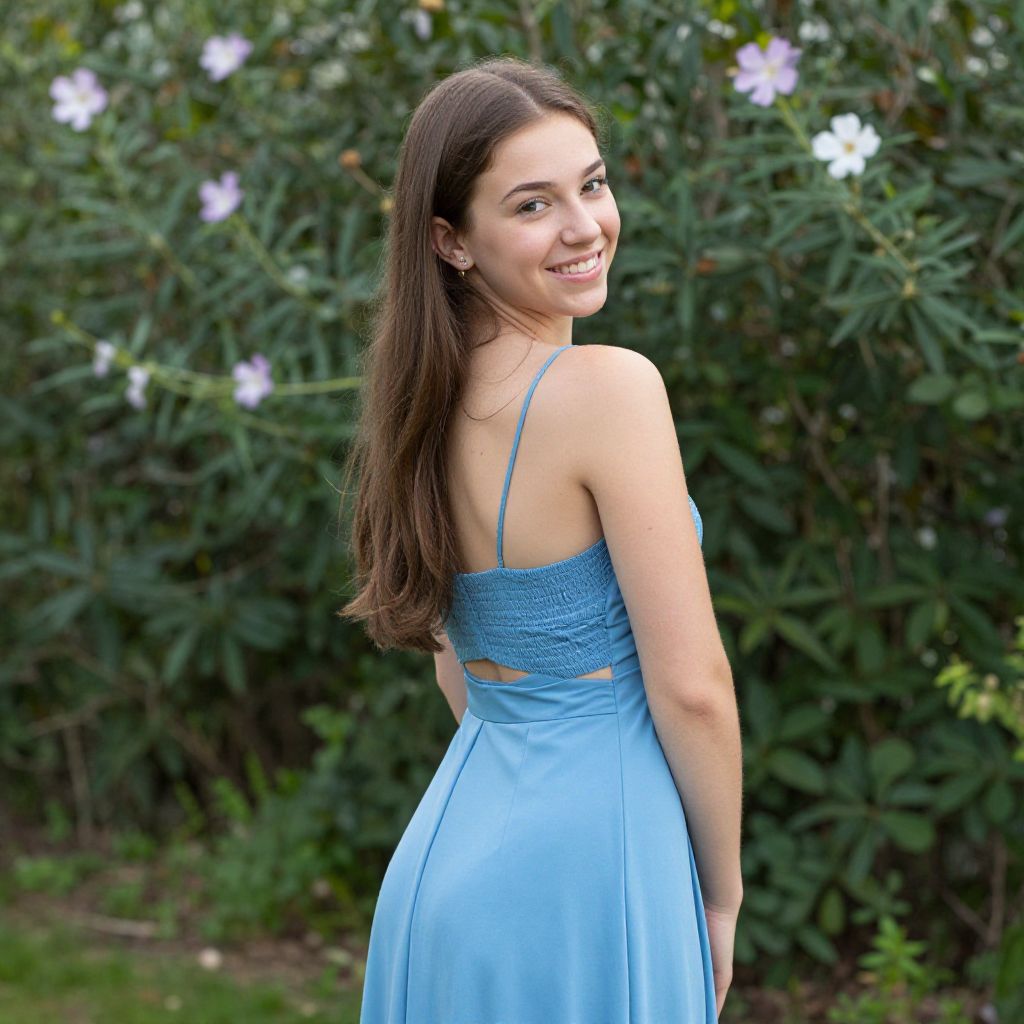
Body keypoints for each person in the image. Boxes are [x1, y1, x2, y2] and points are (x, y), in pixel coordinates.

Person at [339, 54, 744, 1022]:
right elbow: (690, 690)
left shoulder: (421, 409)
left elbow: (460, 673)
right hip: (591, 868)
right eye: (532, 205)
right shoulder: (609, 389)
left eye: (592, 185)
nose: (584, 226)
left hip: (452, 854)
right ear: (451, 241)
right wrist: (721, 894)